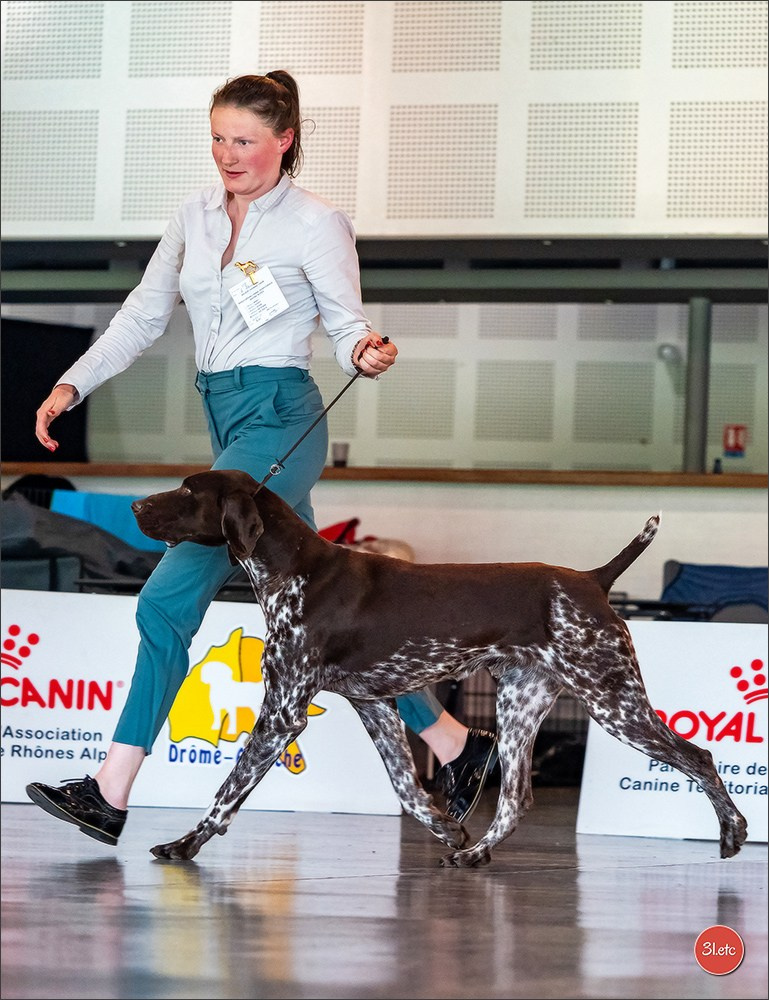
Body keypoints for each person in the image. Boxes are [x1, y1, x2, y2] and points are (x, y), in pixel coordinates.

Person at [25, 72, 497, 846]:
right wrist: (71, 384)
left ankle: (110, 790)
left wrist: (365, 351)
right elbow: (142, 315)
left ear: (284, 140)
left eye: (243, 140)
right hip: (227, 421)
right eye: (217, 138)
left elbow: (345, 323)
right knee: (322, 611)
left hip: (279, 419)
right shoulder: (194, 217)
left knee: (164, 602)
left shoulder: (315, 223)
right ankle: (453, 742)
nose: (227, 154)